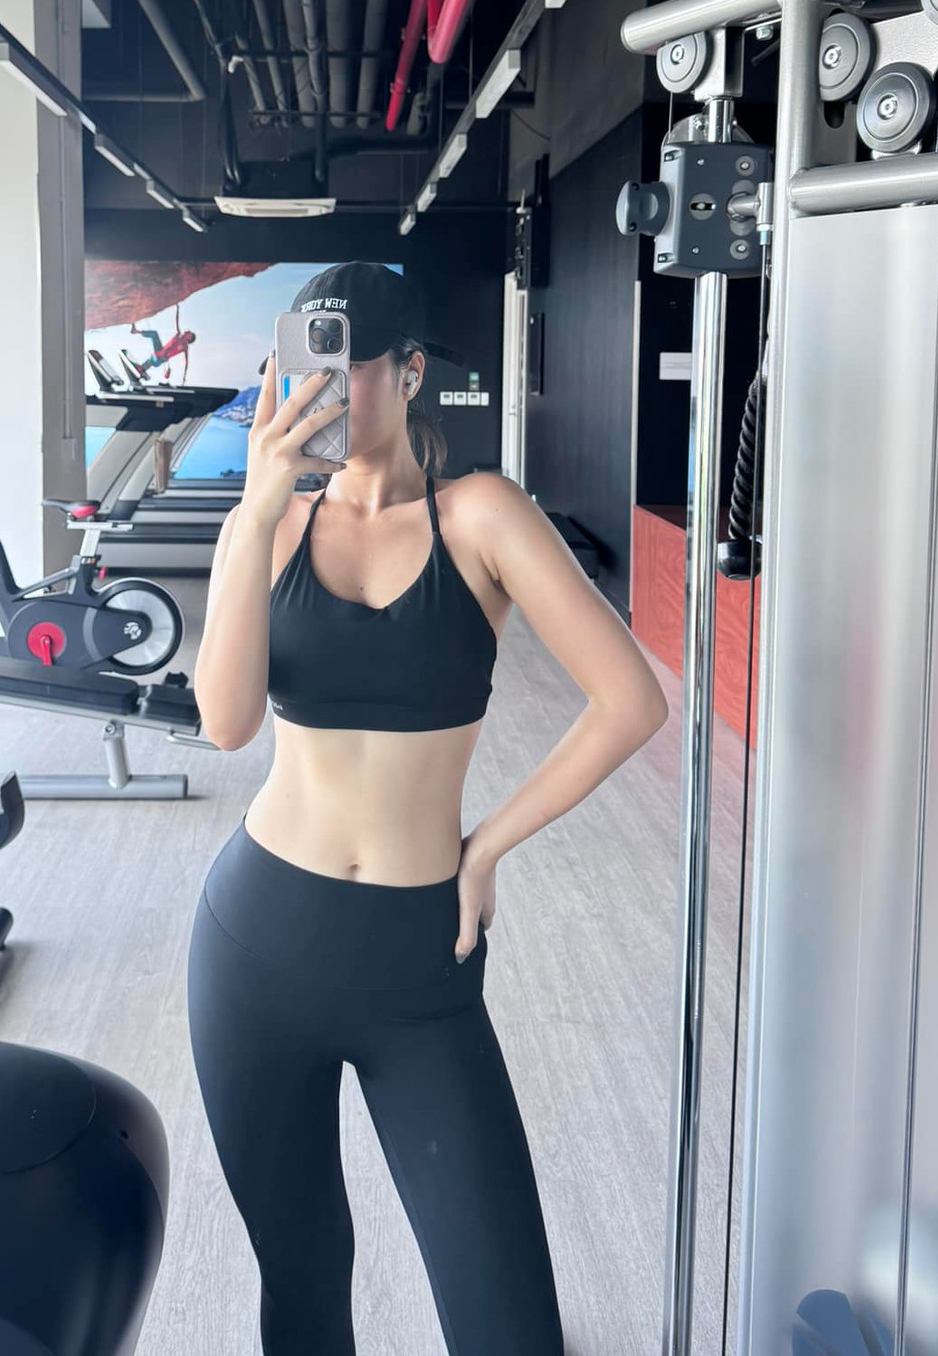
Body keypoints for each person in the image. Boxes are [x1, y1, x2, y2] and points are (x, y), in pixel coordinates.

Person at [187, 262, 670, 1356]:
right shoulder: (271, 524)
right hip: (257, 944)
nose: (316, 391)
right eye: (299, 365)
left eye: (344, 366)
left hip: (418, 957)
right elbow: (225, 722)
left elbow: (630, 700)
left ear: (409, 372)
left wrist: (488, 844)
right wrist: (254, 511)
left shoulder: (480, 514)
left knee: (507, 1321)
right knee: (304, 1279)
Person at [131, 306, 196, 382]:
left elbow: (186, 362)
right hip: (159, 355)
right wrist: (177, 310)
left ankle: (136, 331)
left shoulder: (185, 346)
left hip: (162, 356)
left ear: (189, 338)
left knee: (154, 335)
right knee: (151, 361)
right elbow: (177, 323)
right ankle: (141, 369)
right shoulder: (178, 335)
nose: (188, 331)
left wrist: (184, 376)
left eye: (190, 333)